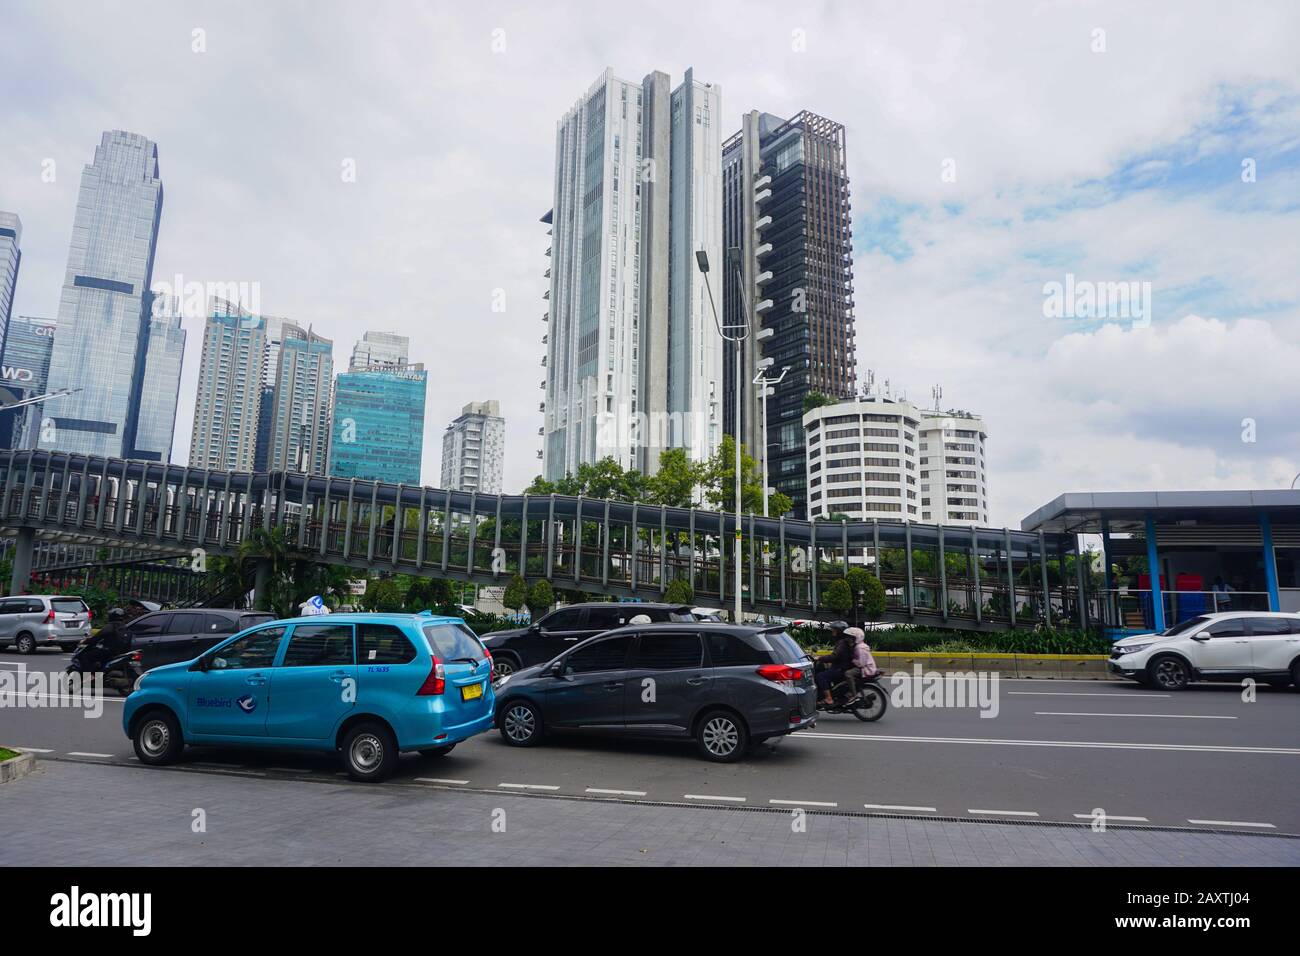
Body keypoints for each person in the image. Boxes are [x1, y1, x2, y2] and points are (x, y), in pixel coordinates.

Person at [75, 607, 131, 673]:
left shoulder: (111, 626)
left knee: (86, 656)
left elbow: (97, 637)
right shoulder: (125, 627)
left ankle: (89, 676)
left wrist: (86, 641)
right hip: (121, 652)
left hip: (109, 652)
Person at [815, 621, 852, 706]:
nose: (832, 632)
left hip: (840, 669)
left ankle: (829, 698)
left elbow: (834, 656)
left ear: (840, 631)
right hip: (841, 667)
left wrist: (820, 658)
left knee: (821, 676)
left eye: (834, 630)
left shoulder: (842, 643)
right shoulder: (842, 642)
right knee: (825, 671)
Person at [843, 627, 879, 696]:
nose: (849, 640)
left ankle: (853, 694)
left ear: (857, 638)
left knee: (848, 674)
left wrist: (852, 660)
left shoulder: (860, 648)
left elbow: (861, 664)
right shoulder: (859, 646)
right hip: (865, 667)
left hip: (866, 669)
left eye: (851, 638)